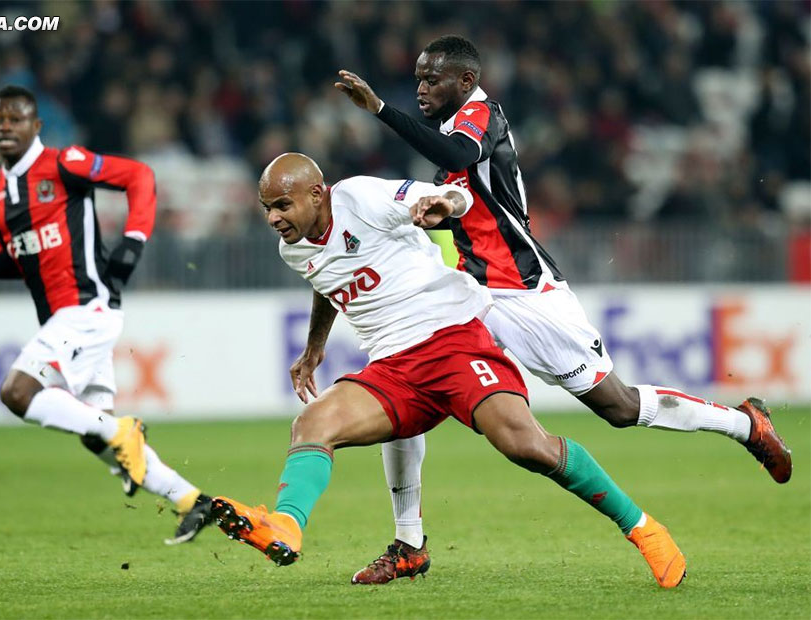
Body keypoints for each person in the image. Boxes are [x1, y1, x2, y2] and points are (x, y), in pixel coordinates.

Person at [329, 34, 792, 584]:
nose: (422, 88)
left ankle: (744, 424)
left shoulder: (481, 117)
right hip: (473, 293)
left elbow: (457, 157)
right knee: (409, 370)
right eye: (418, 79)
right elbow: (464, 202)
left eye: (433, 79)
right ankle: (409, 542)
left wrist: (381, 108)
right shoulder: (448, 144)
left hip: (529, 292)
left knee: (618, 407)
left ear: (467, 82)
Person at [211, 152, 687, 589]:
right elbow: (326, 274)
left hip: (454, 340)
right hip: (394, 369)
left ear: (317, 194)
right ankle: (286, 525)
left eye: (281, 205)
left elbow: (447, 195)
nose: (273, 218)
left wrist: (444, 202)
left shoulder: (361, 196)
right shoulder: (292, 247)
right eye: (266, 208)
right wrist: (315, 347)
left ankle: (644, 528)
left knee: (526, 446)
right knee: (311, 423)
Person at [0, 85, 212, 545]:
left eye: (16, 118)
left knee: (17, 393)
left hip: (87, 308)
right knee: (97, 437)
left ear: (36, 126)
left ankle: (122, 430)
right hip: (62, 319)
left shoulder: (64, 164)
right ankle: (192, 501)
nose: (5, 126)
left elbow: (140, 176)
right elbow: (20, 262)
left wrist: (134, 240)